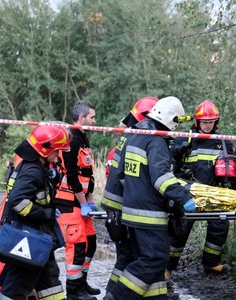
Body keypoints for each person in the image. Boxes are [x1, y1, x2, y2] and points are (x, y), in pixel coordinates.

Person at [105, 96, 196, 300]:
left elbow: (124, 176)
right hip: (149, 215)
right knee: (155, 258)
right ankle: (118, 296)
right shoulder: (156, 141)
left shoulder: (137, 134)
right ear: (172, 120)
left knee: (144, 261)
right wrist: (183, 199)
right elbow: (161, 179)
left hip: (132, 212)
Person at [166, 100, 236, 278]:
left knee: (219, 226)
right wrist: (176, 151)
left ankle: (211, 264)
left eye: (211, 122)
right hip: (188, 194)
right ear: (197, 122)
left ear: (216, 122)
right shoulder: (185, 137)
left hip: (215, 194)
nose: (207, 125)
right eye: (204, 122)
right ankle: (167, 268)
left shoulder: (222, 141)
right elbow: (166, 162)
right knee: (179, 230)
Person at [0, 125, 69, 299]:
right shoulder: (33, 170)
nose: (59, 155)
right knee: (17, 286)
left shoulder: (34, 166)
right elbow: (17, 201)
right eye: (57, 151)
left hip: (38, 238)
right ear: (45, 149)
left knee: (50, 283)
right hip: (29, 239)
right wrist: (45, 214)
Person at [101, 96, 158, 295]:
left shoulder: (128, 135)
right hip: (125, 208)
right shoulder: (138, 138)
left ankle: (114, 292)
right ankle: (114, 294)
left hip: (117, 206)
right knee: (131, 256)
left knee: (127, 256)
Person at [54, 101, 99, 300]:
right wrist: (83, 204)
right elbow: (72, 176)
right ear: (81, 118)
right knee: (77, 245)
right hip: (68, 201)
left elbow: (87, 174)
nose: (94, 121)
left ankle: (82, 282)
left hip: (81, 200)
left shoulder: (82, 138)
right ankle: (73, 291)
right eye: (92, 117)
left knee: (91, 242)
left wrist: (90, 201)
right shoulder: (71, 140)